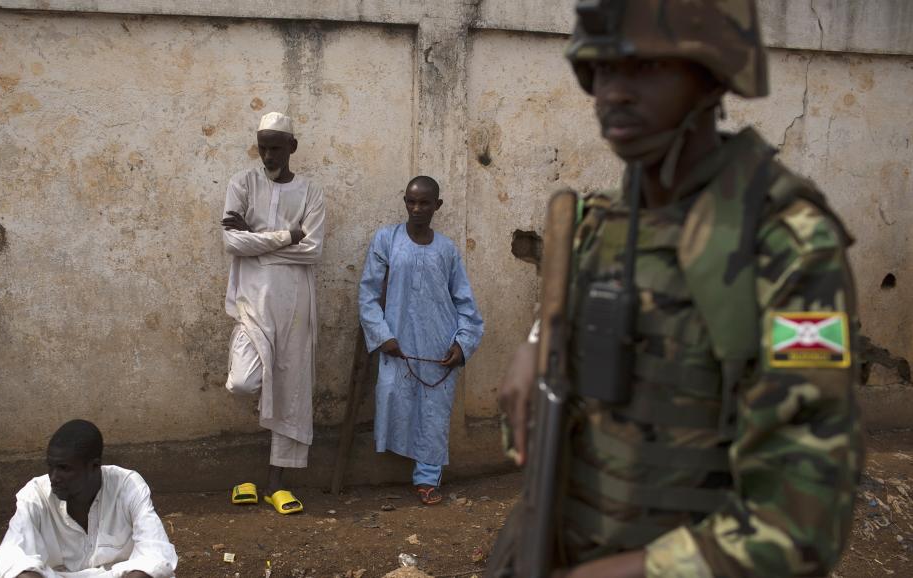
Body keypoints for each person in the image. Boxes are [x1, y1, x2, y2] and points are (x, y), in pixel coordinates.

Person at [497, 1, 863, 576]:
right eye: (604, 70)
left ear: (712, 78)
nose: (614, 91)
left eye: (644, 69)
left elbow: (801, 522)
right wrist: (538, 345)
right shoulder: (599, 226)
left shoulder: (784, 244)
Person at [221, 111, 325, 515]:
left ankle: (275, 484)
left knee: (291, 388)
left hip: (296, 302)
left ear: (292, 147)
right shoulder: (241, 183)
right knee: (246, 382)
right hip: (252, 301)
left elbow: (313, 250)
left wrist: (257, 241)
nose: (268, 155)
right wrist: (286, 236)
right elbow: (231, 241)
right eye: (262, 147)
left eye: (276, 147)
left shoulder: (311, 192)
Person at [358, 176, 484, 505]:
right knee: (393, 396)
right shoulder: (387, 239)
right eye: (411, 201)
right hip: (397, 343)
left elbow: (465, 303)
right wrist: (382, 335)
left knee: (434, 411)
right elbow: (367, 294)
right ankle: (403, 464)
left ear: (437, 206)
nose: (417, 208)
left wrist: (462, 344)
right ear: (404, 202)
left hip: (439, 346)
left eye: (425, 202)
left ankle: (427, 477)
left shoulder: (447, 249)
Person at [0, 420, 177, 578]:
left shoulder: (127, 486)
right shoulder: (34, 496)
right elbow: (10, 560)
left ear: (94, 466)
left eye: (64, 468)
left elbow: (156, 553)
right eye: (51, 466)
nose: (54, 477)